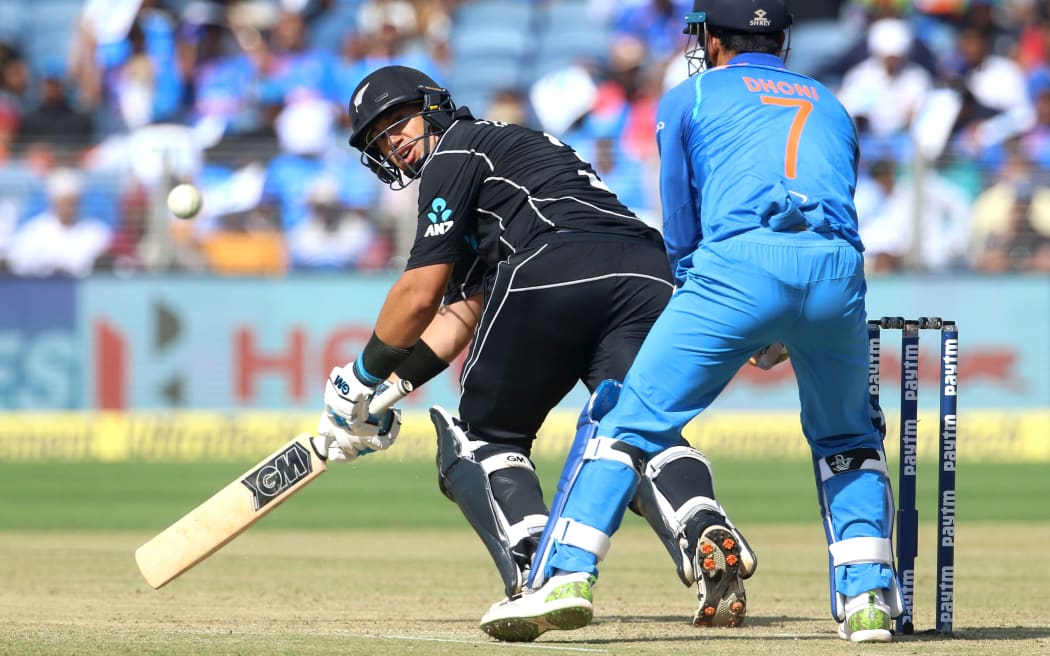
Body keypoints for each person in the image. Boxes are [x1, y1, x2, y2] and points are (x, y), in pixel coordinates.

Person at [483, 0, 905, 644]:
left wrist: (723, 303)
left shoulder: (692, 95)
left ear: (709, 39)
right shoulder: (829, 100)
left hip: (736, 266)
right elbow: (837, 199)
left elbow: (680, 220)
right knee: (848, 437)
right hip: (836, 271)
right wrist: (789, 315)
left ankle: (563, 578)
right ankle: (870, 600)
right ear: (782, 41)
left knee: (623, 420)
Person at [315, 64, 737, 633]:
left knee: (478, 437)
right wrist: (386, 396)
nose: (394, 143)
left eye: (398, 123)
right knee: (632, 430)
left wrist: (360, 380)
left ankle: (537, 572)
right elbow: (461, 314)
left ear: (433, 106)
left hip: (552, 267)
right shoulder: (512, 151)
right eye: (379, 139)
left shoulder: (454, 154)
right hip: (646, 271)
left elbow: (419, 297)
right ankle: (703, 525)